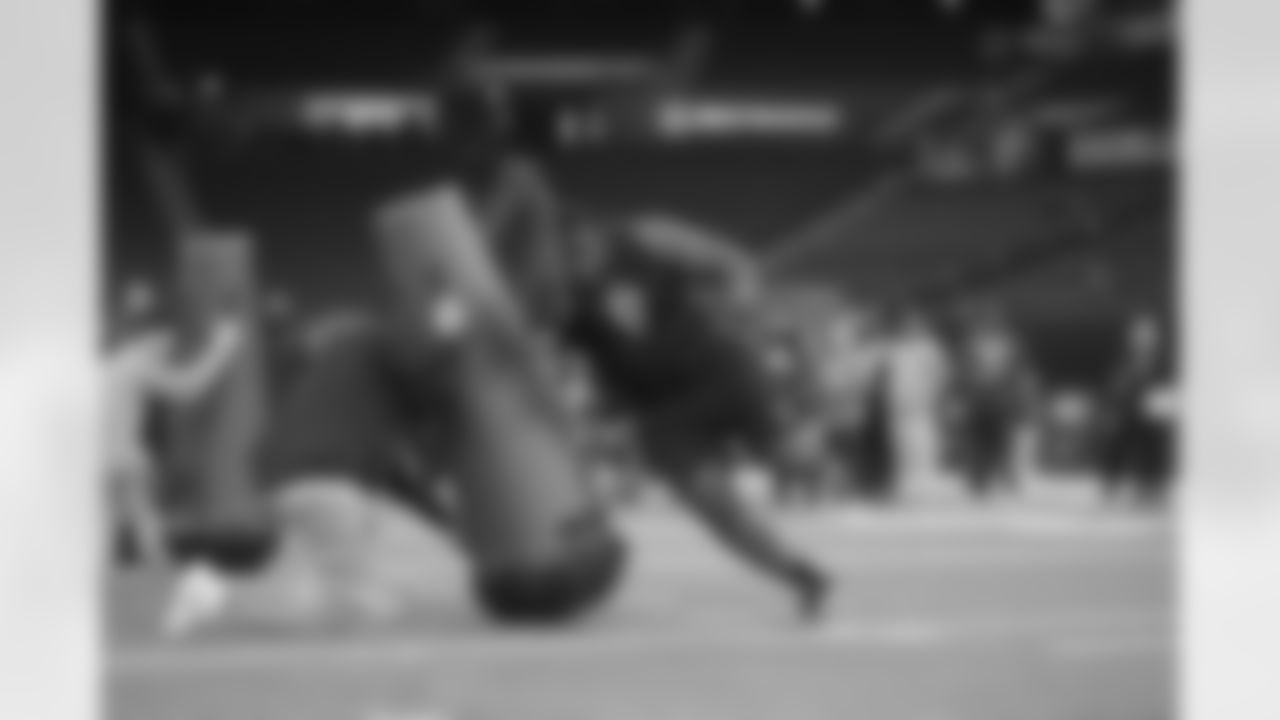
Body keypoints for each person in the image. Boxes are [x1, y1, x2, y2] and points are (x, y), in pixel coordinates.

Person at [557, 213, 832, 616]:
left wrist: (744, 308)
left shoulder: (645, 238)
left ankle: (815, 457)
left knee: (789, 457)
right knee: (710, 500)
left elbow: (732, 262)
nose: (575, 259)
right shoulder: (563, 295)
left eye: (579, 248)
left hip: (719, 370)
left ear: (594, 233)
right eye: (567, 256)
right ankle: (798, 573)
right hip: (663, 409)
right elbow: (547, 351)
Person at [104, 280, 246, 569]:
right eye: (165, 343)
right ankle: (157, 580)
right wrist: (223, 346)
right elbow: (188, 388)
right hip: (120, 458)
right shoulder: (134, 363)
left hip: (101, 459)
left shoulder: (108, 364)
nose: (168, 351)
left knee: (120, 524)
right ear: (150, 337)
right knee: (142, 524)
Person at [1100, 313, 1176, 505]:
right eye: (1139, 335)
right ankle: (1111, 483)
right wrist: (1115, 407)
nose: (1143, 340)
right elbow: (1117, 384)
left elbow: (1167, 385)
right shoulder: (1125, 361)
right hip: (1129, 409)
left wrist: (1165, 407)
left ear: (1155, 338)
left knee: (1154, 445)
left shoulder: (1163, 361)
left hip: (1154, 410)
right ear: (1131, 339)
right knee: (1119, 442)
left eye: (1147, 335)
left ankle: (1150, 486)